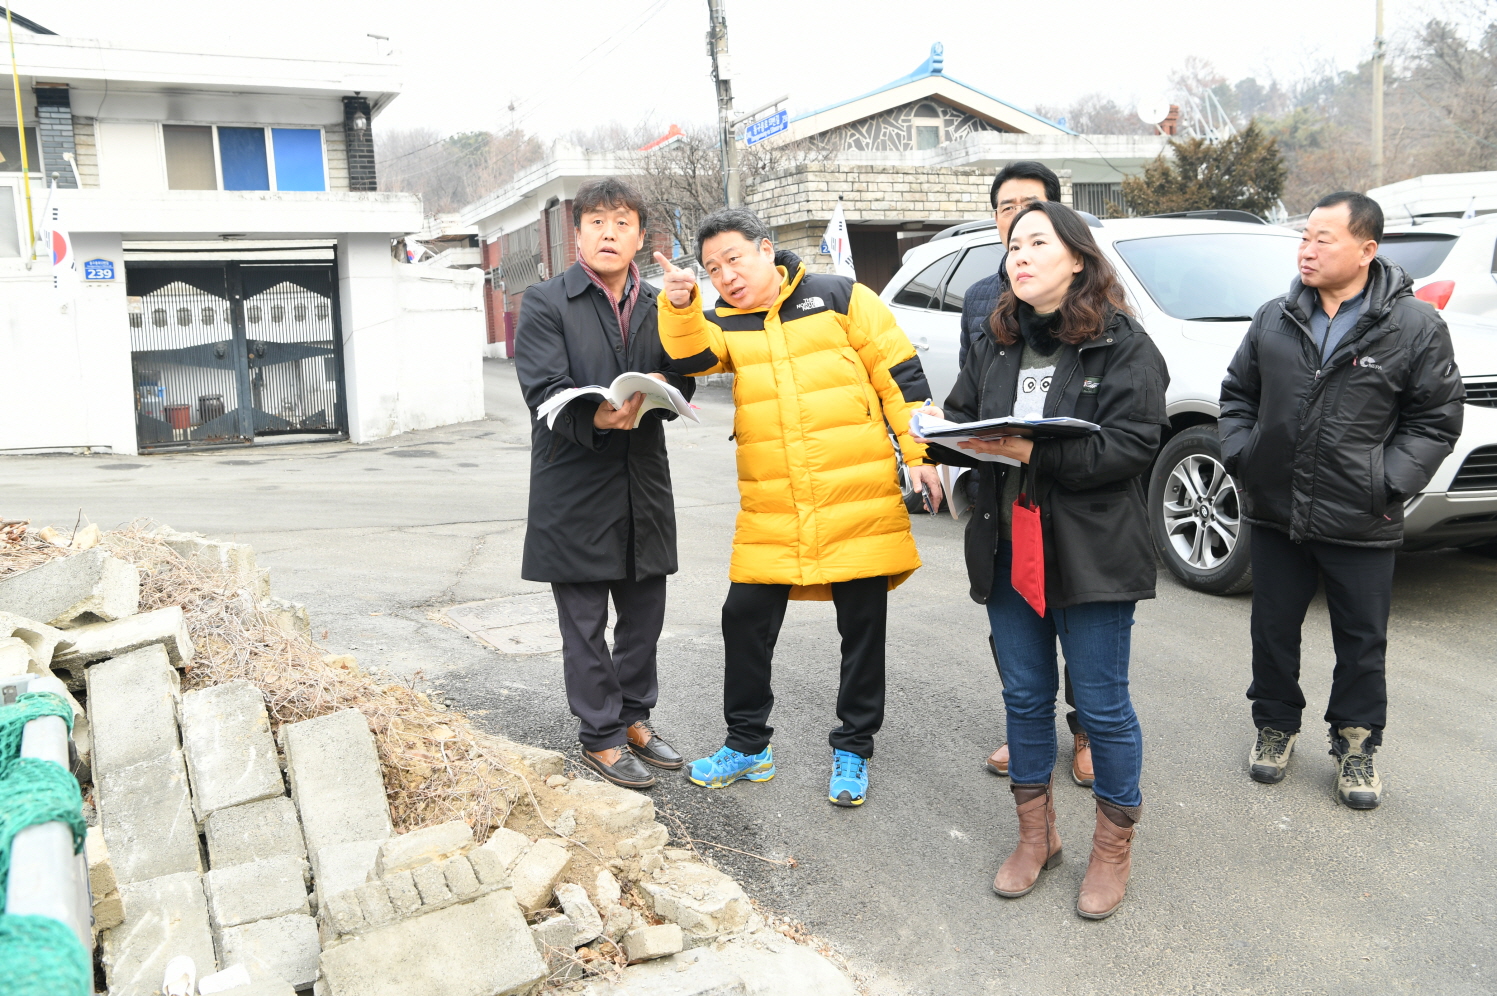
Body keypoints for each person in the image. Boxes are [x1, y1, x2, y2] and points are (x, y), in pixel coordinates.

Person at [919, 200, 1169, 919]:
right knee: (1024, 698)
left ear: (1078, 259)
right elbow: (965, 416)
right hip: (1006, 544)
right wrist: (940, 434)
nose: (1019, 256)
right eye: (1013, 246)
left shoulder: (1123, 344)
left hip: (1090, 552)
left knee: (1102, 705)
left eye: (1036, 243)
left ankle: (1111, 850)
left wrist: (1031, 451)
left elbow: (1131, 447)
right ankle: (1037, 838)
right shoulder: (997, 338)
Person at [653, 207, 943, 808]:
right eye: (712, 268)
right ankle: (747, 745)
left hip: (856, 493)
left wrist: (920, 452)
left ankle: (853, 747)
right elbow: (691, 357)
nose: (726, 276)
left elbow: (899, 372)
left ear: (766, 249)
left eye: (734, 259)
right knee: (743, 619)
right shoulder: (724, 321)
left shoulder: (840, 296)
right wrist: (680, 306)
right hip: (774, 505)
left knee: (862, 626)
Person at [1219, 191, 1463, 810]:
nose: (1307, 249)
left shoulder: (1414, 326)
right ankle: (1275, 725)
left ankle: (1356, 743)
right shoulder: (1274, 317)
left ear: (1366, 249)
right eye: (1304, 236)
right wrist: (1244, 454)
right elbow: (1238, 394)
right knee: (1273, 630)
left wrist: (1387, 481)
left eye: (1323, 238)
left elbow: (1435, 420)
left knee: (1361, 641)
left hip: (1361, 514)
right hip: (1276, 510)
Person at [515, 177, 696, 791]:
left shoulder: (658, 303)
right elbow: (543, 390)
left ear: (641, 237)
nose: (609, 233)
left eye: (622, 223)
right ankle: (600, 734)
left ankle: (633, 717)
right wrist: (594, 416)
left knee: (644, 614)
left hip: (643, 480)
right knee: (586, 621)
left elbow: (683, 377)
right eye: (597, 222)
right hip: (574, 484)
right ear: (578, 234)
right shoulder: (547, 302)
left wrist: (670, 370)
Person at [960, 161, 1091, 788]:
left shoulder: (1104, 319)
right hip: (1005, 503)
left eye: (1032, 211)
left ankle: (1086, 730)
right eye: (1006, 211)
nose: (1017, 225)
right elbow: (972, 391)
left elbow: (1123, 431)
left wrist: (1031, 449)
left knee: (1083, 635)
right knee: (1017, 641)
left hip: (1076, 507)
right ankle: (1027, 729)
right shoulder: (982, 302)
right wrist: (950, 436)